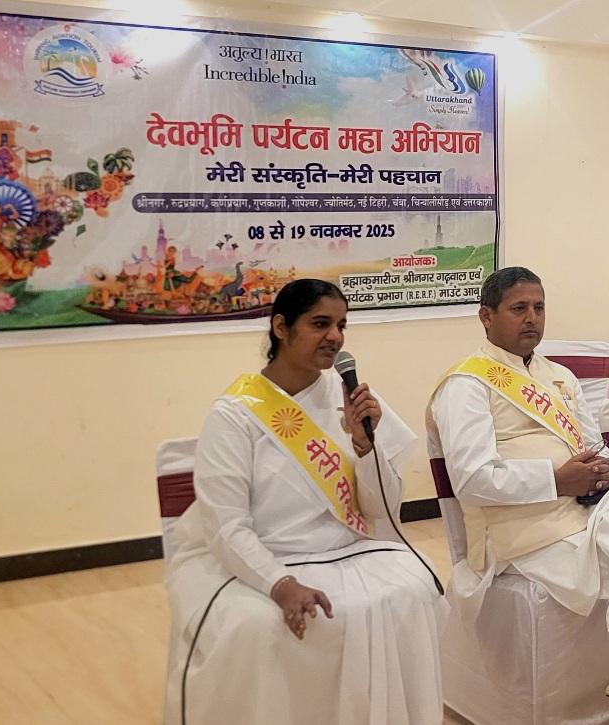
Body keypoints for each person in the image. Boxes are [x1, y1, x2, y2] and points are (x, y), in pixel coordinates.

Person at [163, 279, 446, 725]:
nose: (335, 336)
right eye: (320, 324)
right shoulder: (234, 415)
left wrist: (365, 446)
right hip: (262, 559)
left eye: (341, 326)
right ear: (281, 327)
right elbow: (226, 525)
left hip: (345, 550)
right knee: (257, 624)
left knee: (414, 590)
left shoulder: (350, 400)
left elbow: (380, 510)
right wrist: (280, 584)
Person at [427, 267, 609, 725]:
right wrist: (557, 480)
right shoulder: (465, 385)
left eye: (539, 307)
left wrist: (603, 474)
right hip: (518, 528)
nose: (532, 317)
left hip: (581, 511)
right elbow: (471, 479)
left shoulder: (560, 377)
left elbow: (597, 447)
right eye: (519, 308)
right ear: (486, 316)